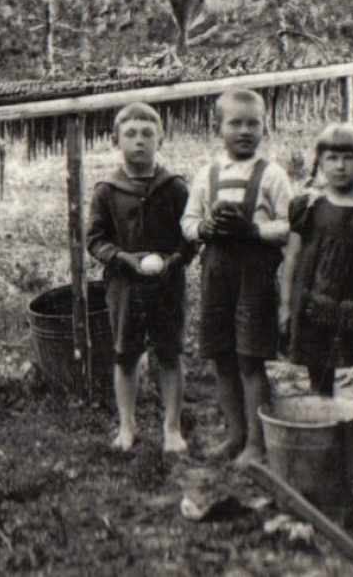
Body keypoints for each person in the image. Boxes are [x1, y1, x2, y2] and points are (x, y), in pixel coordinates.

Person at [181, 89, 294, 465]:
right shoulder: (207, 174)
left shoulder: (273, 175)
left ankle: (257, 445)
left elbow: (290, 225)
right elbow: (188, 222)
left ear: (265, 127)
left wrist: (254, 230)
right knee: (222, 358)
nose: (245, 131)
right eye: (235, 123)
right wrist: (205, 229)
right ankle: (235, 435)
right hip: (216, 277)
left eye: (253, 123)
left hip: (255, 277)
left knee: (250, 359)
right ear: (218, 128)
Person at [85, 102, 196, 455]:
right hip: (124, 286)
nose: (139, 141)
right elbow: (94, 239)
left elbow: (191, 235)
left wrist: (174, 260)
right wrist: (121, 258)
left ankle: (172, 427)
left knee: (170, 353)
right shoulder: (107, 190)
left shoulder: (175, 187)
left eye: (148, 133)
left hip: (167, 286)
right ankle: (127, 425)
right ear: (115, 139)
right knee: (125, 355)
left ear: (161, 138)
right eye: (130, 134)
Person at [283, 123, 353, 469]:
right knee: (321, 379)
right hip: (317, 305)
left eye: (349, 157)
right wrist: (286, 306)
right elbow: (292, 257)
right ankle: (328, 445)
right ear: (319, 162)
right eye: (332, 157)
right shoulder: (308, 208)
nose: (340, 166)